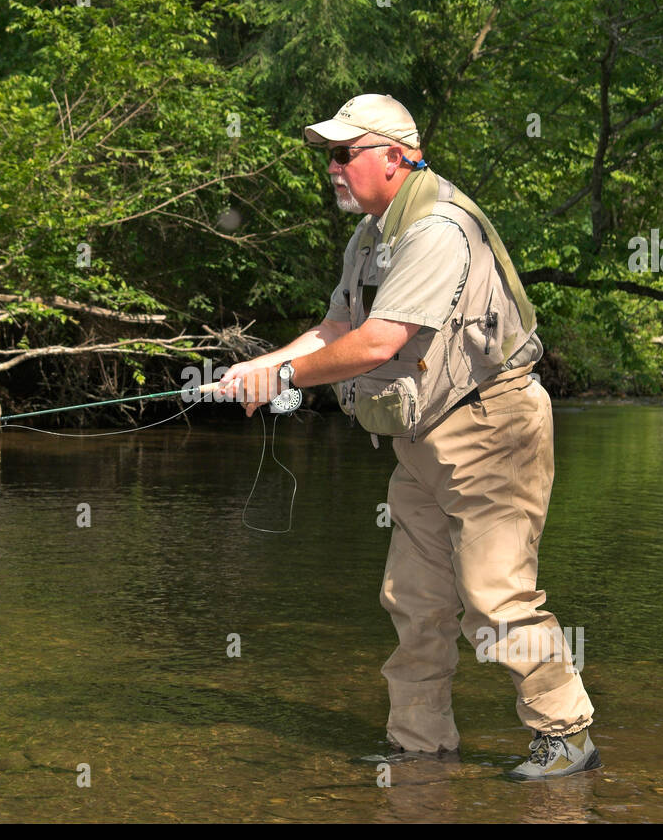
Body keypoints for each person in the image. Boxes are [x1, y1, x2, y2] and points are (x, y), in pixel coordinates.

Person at [217, 94, 599, 779]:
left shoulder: (437, 230)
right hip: (423, 437)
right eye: (328, 156)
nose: (331, 168)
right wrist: (261, 367)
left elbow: (376, 343)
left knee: (495, 593)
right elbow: (336, 328)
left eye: (344, 153)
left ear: (394, 157)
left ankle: (566, 733)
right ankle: (421, 749)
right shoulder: (371, 236)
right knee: (415, 597)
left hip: (493, 426)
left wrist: (287, 380)